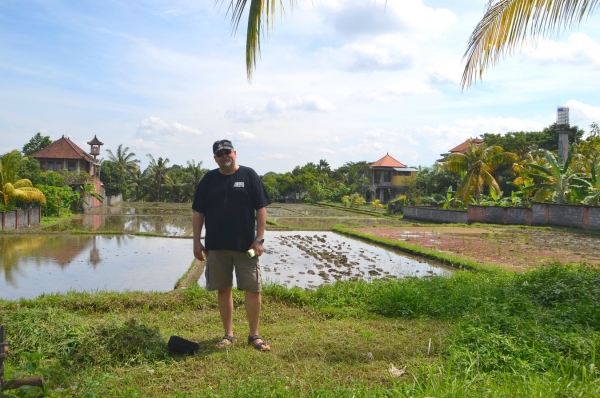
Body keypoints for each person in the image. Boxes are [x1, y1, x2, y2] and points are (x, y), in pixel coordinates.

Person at [192, 139, 271, 351]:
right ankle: (228, 335)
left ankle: (254, 335)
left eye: (228, 151)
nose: (224, 155)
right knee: (223, 289)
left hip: (246, 246)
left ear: (235, 153)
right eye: (220, 153)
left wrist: (259, 239)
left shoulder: (249, 175)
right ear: (215, 158)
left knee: (253, 289)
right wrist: (196, 241)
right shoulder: (209, 179)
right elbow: (198, 211)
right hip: (216, 246)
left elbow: (261, 208)